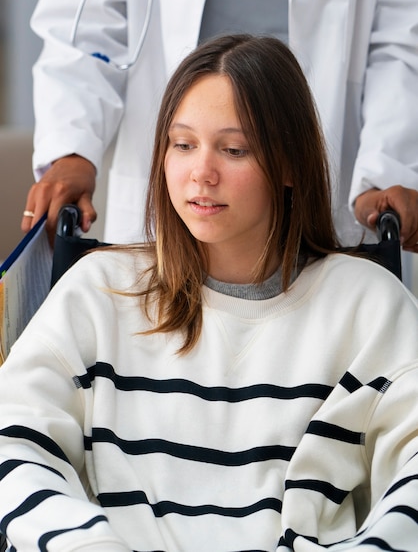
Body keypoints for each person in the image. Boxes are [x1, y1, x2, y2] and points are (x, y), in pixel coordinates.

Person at [1, 34, 418, 551]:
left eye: (234, 149)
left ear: (289, 164)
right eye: (182, 144)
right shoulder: (96, 292)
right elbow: (14, 446)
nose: (201, 172)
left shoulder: (367, 305)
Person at [21, 0, 418, 256]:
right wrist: (71, 151)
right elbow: (82, 33)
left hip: (324, 185)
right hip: (175, 204)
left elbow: (401, 49)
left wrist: (383, 174)